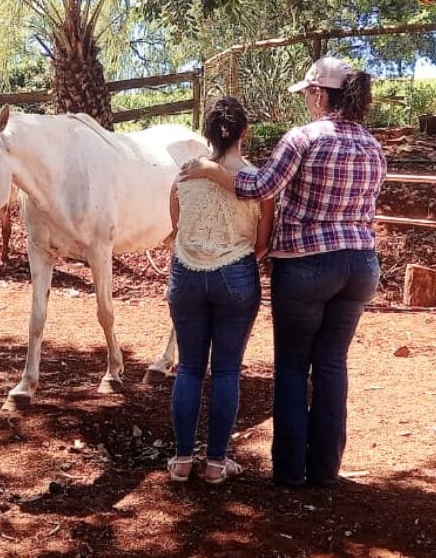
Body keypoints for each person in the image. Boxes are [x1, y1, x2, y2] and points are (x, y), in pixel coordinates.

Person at [179, 57, 386, 488]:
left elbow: (257, 187)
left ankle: (291, 472)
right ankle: (326, 470)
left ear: (318, 94)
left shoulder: (303, 139)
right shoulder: (371, 144)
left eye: (307, 93)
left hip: (307, 264)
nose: (306, 100)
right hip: (360, 264)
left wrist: (207, 169)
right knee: (332, 364)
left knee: (293, 366)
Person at [165, 97, 275, 484]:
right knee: (227, 369)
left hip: (186, 275)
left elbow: (177, 225)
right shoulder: (257, 181)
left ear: (206, 135)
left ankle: (180, 459)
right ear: (244, 133)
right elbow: (263, 242)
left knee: (190, 368)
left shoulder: (184, 176)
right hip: (236, 274)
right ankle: (215, 462)